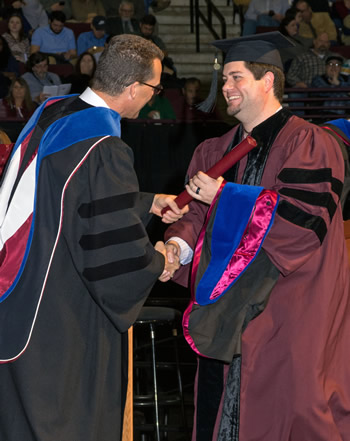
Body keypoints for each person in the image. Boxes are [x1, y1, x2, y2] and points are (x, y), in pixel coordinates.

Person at [163, 31, 350, 440]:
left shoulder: (311, 143)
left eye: (236, 77)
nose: (226, 87)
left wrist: (225, 195)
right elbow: (195, 216)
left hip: (287, 304)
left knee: (291, 408)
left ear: (268, 81)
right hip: (224, 309)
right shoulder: (213, 150)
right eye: (225, 79)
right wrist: (176, 247)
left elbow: (303, 223)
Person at [0, 33, 187, 441]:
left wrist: (145, 202)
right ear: (134, 89)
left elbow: (63, 199)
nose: (153, 98)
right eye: (153, 89)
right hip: (58, 320)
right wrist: (157, 261)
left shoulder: (54, 113)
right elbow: (111, 250)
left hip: (17, 304)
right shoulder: (104, 146)